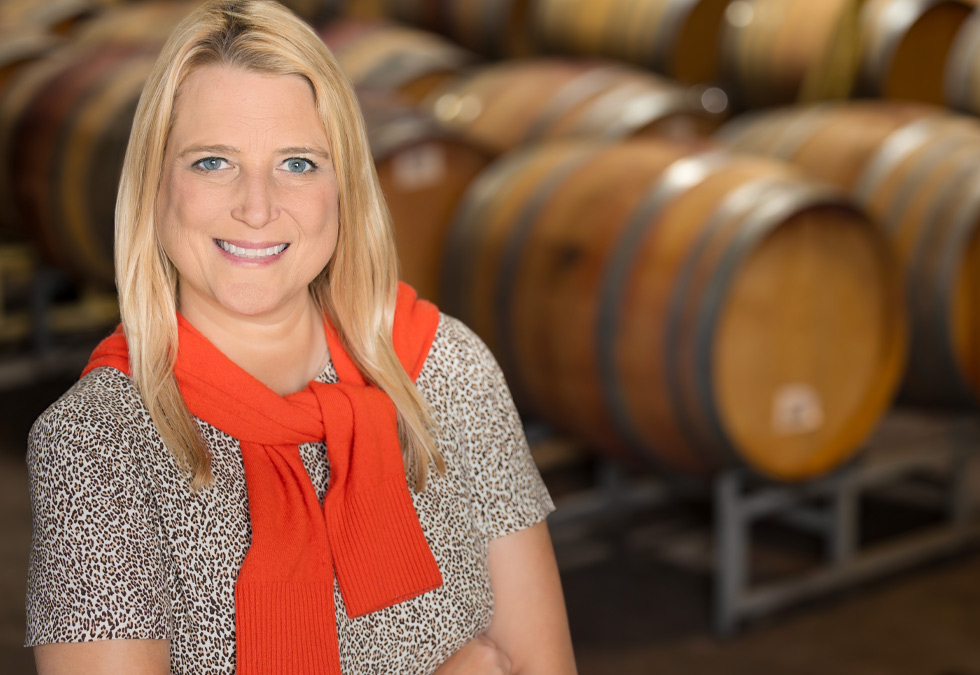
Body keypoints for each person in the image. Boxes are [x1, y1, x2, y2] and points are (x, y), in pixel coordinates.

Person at [24, 1, 577, 673]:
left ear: (343, 187)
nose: (257, 206)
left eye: (297, 164)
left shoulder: (443, 367)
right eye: (211, 162)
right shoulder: (99, 442)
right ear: (153, 187)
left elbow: (541, 665)